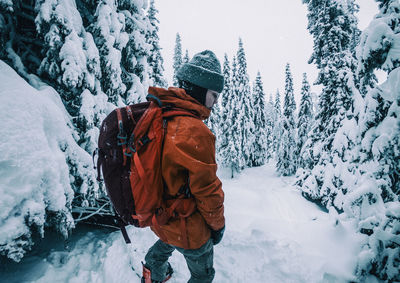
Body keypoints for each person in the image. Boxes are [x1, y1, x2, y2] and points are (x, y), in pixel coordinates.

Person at [142, 50, 226, 283]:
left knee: (160, 253)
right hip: (190, 230)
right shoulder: (196, 131)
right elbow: (208, 191)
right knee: (203, 276)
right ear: (200, 90)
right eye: (214, 94)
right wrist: (217, 227)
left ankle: (152, 277)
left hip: (162, 219)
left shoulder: (160, 116)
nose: (215, 101)